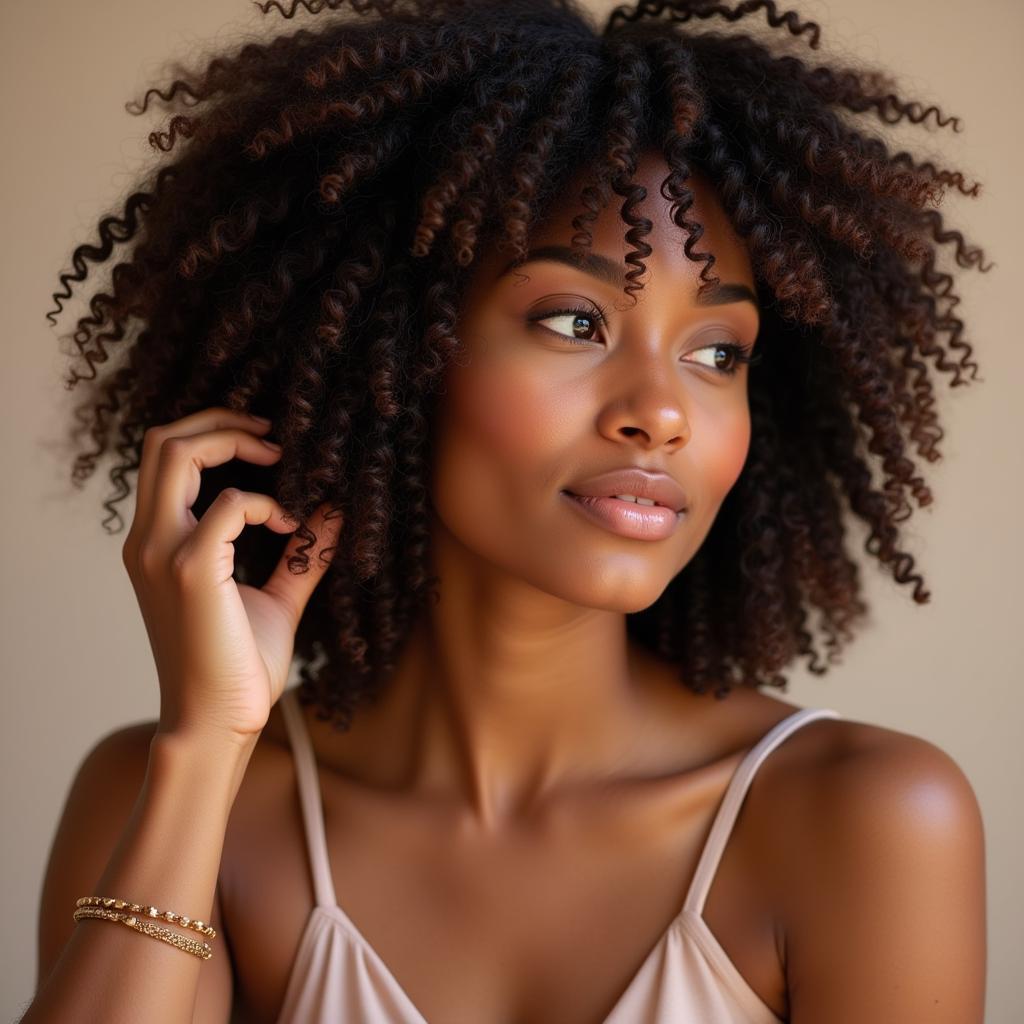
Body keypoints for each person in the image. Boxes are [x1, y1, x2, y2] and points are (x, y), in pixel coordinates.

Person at [26, 0, 987, 1021]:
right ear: (387, 352)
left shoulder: (861, 817)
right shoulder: (170, 791)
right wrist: (205, 746)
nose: (661, 414)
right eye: (574, 321)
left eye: (718, 352)